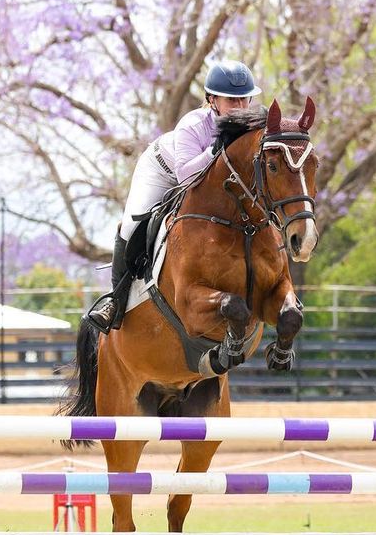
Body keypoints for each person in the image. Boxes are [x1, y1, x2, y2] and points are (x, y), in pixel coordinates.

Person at [86, 60, 262, 333]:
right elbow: (186, 177)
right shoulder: (193, 124)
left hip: (205, 182)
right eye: (231, 100)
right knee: (132, 224)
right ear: (212, 99)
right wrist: (217, 148)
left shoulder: (251, 128)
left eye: (244, 100)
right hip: (163, 171)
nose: (239, 107)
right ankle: (115, 303)